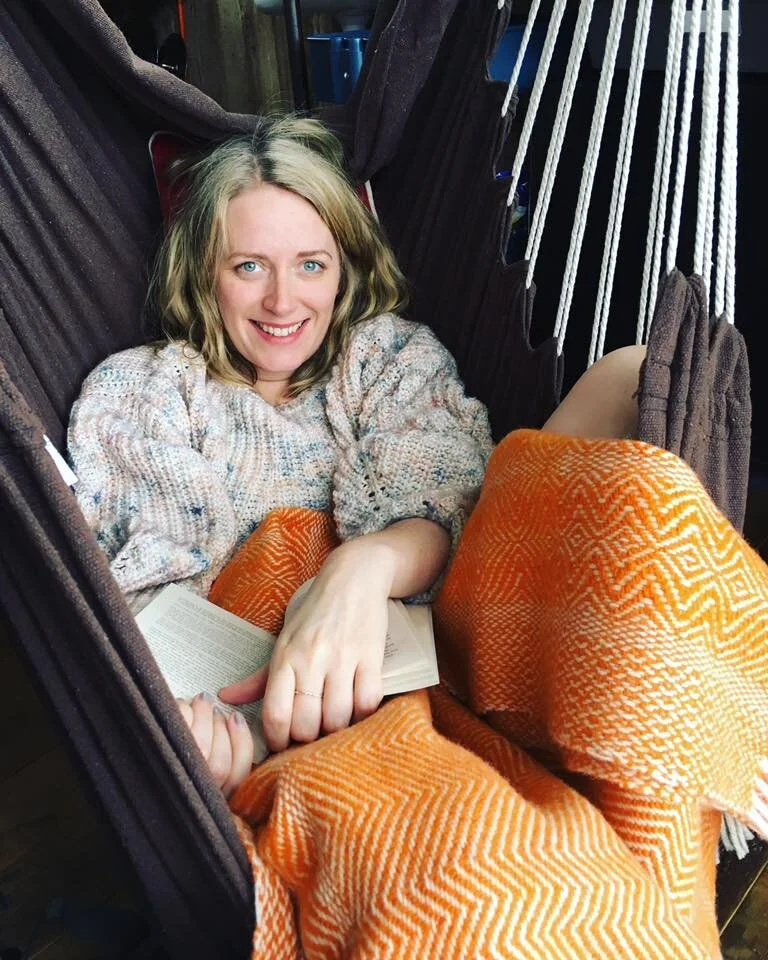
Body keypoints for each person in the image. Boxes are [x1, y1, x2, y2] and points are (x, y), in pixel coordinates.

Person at [67, 115, 645, 797]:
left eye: (310, 265)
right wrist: (203, 732)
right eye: (249, 266)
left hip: (435, 666)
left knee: (633, 373)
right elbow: (151, 596)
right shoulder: (146, 389)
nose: (282, 301)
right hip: (267, 714)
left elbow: (452, 509)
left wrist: (358, 568)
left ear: (343, 268)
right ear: (202, 272)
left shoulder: (387, 356)